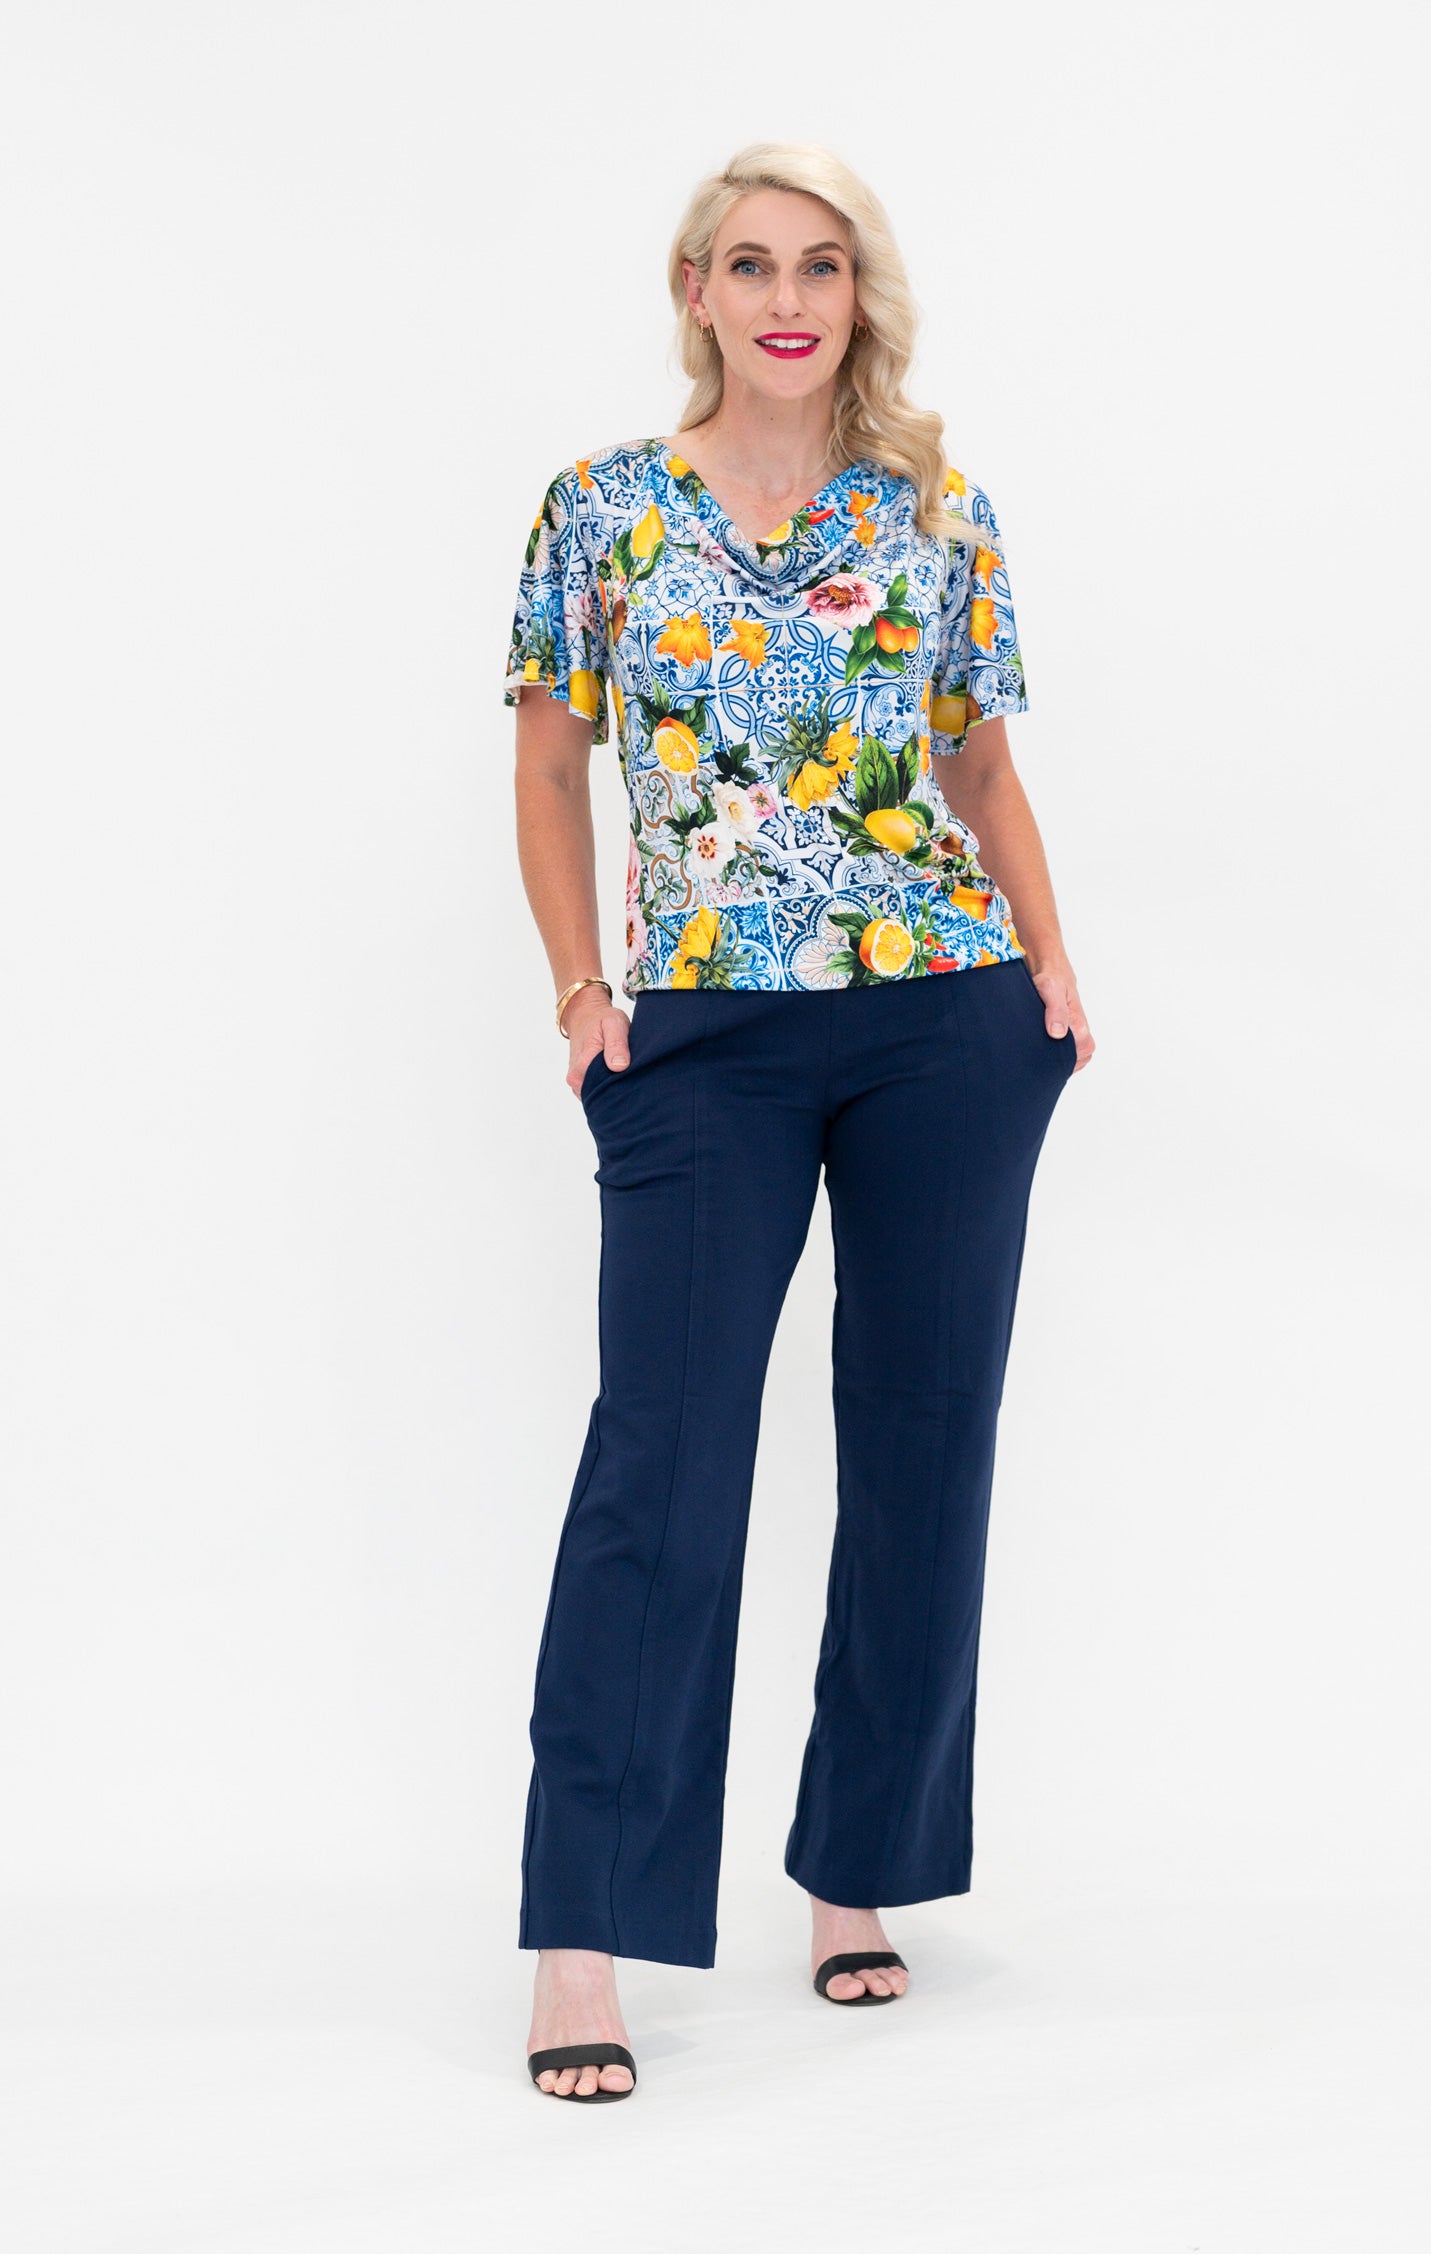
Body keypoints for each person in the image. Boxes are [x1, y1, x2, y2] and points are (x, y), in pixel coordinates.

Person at [504, 140, 1094, 2104]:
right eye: (749, 263)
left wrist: (1051, 961)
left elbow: (979, 762)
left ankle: (860, 1869)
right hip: (704, 1036)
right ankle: (582, 1937)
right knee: (662, 1462)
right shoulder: (600, 508)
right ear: (695, 290)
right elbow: (551, 765)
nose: (786, 298)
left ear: (859, 296)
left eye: (821, 266)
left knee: (924, 1444)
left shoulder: (936, 508)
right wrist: (581, 988)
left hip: (944, 1017)